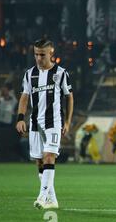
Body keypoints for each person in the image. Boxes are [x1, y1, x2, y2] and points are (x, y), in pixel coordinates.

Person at [16, 39, 74, 209]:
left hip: (54, 122)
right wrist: (20, 118)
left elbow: (69, 97)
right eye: (36, 54)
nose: (39, 58)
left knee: (49, 156)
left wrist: (68, 121)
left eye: (42, 54)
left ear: (51, 53)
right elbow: (24, 97)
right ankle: (52, 200)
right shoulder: (29, 74)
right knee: (40, 161)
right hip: (35, 123)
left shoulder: (61, 73)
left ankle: (41, 197)